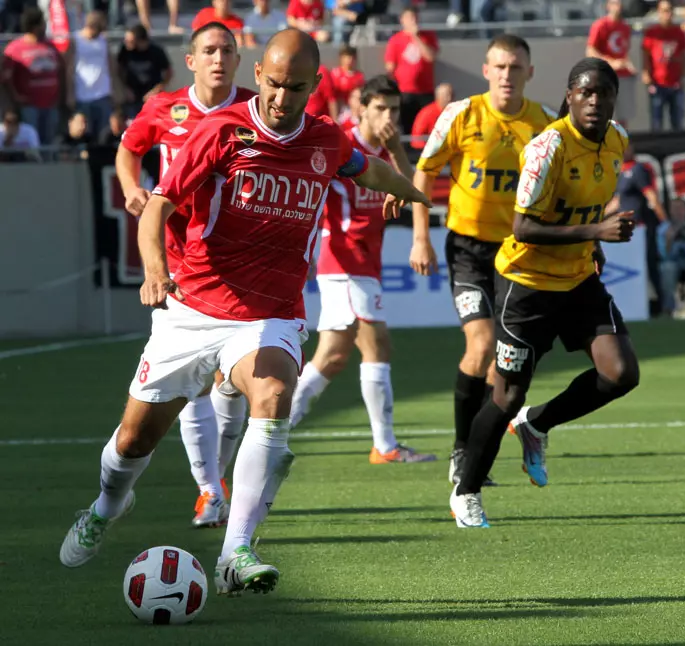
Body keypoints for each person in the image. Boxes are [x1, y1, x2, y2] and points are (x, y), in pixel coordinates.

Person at [59, 29, 431, 594]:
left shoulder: (325, 139)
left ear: (316, 85)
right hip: (193, 305)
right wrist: (156, 270)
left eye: (296, 88)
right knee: (133, 442)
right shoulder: (220, 131)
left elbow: (366, 168)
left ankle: (236, 552)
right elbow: (157, 207)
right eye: (274, 84)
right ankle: (107, 507)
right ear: (258, 74)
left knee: (274, 395)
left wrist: (413, 191)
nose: (282, 98)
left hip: (269, 312)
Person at [449, 58, 639, 528]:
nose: (594, 101)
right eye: (585, 92)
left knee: (621, 373)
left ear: (614, 98)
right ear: (569, 96)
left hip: (578, 279)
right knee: (507, 394)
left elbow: (588, 201)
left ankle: (537, 423)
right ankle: (466, 491)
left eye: (603, 92)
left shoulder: (617, 139)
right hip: (527, 284)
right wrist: (597, 230)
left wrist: (594, 243)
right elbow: (523, 228)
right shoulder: (547, 148)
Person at [115, 22, 256, 529]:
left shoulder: (255, 111)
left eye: (227, 50)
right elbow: (129, 148)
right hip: (180, 261)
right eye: (209, 51)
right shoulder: (165, 108)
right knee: (194, 384)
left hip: (239, 261)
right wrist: (132, 187)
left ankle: (218, 479)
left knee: (232, 383)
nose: (218, 58)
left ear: (238, 59)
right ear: (190, 61)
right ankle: (210, 490)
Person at [410, 35, 555, 487]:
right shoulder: (461, 114)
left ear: (530, 72)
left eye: (516, 67)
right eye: (500, 66)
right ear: (486, 70)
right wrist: (420, 238)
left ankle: (480, 450)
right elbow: (424, 172)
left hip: (518, 253)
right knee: (480, 345)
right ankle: (462, 451)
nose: (507, 75)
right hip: (468, 250)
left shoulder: (546, 125)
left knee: (505, 364)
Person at [290, 75, 435, 464]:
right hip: (343, 257)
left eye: (395, 110)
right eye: (381, 108)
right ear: (362, 109)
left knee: (333, 356)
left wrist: (396, 148)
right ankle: (384, 446)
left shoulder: (387, 150)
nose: (389, 117)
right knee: (374, 344)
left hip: (366, 260)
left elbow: (411, 190)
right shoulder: (342, 144)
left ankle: (274, 426)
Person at [608, 142, 667, 313]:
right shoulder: (620, 173)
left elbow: (651, 196)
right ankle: (632, 305)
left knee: (649, 264)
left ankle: (663, 305)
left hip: (640, 229)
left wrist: (664, 221)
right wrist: (595, 219)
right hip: (625, 230)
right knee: (628, 267)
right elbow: (618, 202)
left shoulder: (638, 169)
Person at [1, 7, 63, 145]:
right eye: (43, 23)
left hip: (51, 104)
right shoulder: (15, 48)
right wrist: (16, 96)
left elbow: (60, 71)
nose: (45, 26)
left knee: (50, 142)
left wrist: (59, 95)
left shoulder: (50, 46)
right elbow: (6, 78)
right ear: (35, 26)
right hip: (30, 107)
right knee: (32, 142)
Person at [384, 7, 439, 134]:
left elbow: (430, 57)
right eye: (409, 17)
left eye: (415, 17)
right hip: (405, 92)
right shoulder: (396, 40)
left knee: (428, 128)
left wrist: (416, 36)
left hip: (426, 91)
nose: (413, 21)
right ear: (402, 20)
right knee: (408, 127)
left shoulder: (428, 36)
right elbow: (390, 67)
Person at [65, 11, 116, 138]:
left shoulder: (103, 40)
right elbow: (69, 69)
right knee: (83, 134)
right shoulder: (75, 40)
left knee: (103, 134)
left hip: (102, 94)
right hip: (82, 95)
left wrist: (115, 89)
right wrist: (70, 93)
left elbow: (111, 66)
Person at [586, 0, 636, 128]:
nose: (618, 7)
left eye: (620, 3)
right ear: (608, 5)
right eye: (615, 3)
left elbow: (623, 52)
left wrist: (629, 65)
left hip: (623, 77)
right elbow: (590, 51)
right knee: (604, 114)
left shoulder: (625, 27)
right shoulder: (600, 25)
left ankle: (622, 139)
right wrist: (612, 63)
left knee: (623, 117)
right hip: (605, 76)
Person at [642, 0, 685, 132]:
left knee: (677, 123)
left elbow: (684, 56)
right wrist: (647, 75)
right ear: (658, 12)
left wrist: (683, 76)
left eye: (669, 11)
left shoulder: (679, 33)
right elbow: (646, 56)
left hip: (675, 83)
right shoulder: (652, 33)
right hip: (657, 83)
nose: (667, 14)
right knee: (656, 123)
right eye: (664, 11)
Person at [117, 24, 173, 120]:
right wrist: (126, 88)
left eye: (130, 41)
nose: (126, 43)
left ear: (140, 41)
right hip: (132, 98)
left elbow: (169, 72)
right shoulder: (125, 50)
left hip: (152, 98)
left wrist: (156, 90)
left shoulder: (156, 51)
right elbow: (119, 69)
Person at [657, 199, 685, 315]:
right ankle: (669, 308)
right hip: (673, 263)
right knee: (667, 268)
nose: (678, 211)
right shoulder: (663, 229)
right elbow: (664, 256)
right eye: (675, 208)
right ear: (670, 211)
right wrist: (669, 240)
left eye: (681, 208)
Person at [410, 82, 453, 150]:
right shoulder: (427, 113)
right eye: (446, 96)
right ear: (438, 97)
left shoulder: (456, 112)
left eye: (452, 95)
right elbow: (417, 139)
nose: (449, 99)